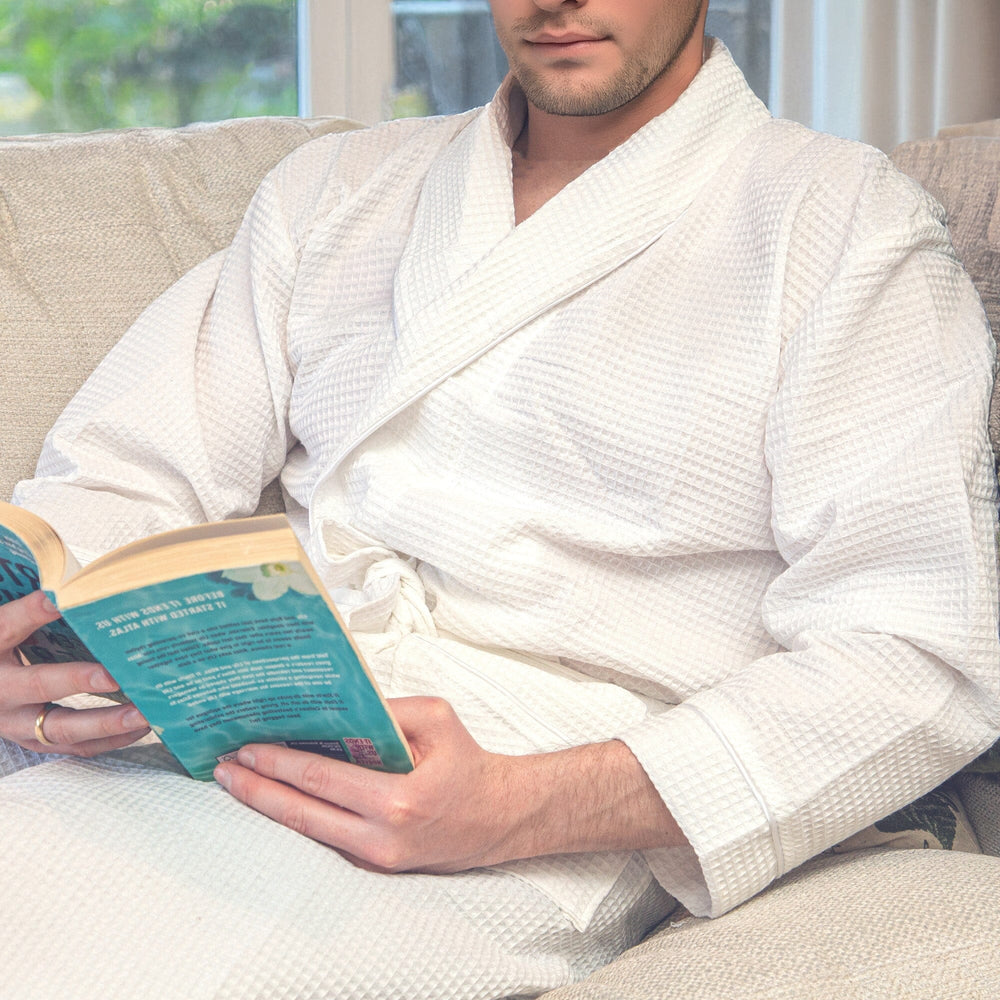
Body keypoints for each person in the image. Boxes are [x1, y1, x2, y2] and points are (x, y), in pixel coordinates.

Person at [1, 0, 998, 996]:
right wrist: (29, 627)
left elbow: (917, 651)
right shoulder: (336, 190)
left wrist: (525, 806)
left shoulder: (844, 227)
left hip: (538, 773)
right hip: (254, 710)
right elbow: (124, 472)